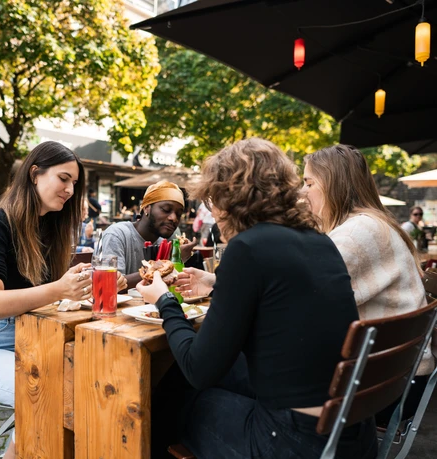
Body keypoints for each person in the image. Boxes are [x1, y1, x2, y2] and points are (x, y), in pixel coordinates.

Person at [137, 138, 377, 459]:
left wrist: (164, 300)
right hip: (351, 432)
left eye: (212, 200)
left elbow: (199, 369)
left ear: (229, 198)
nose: (213, 211)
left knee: (173, 397)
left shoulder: (247, 248)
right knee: (198, 378)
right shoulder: (319, 241)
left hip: (295, 443)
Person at [0, 141, 126, 459]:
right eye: (64, 178)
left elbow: (50, 295)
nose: (70, 189)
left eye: (74, 183)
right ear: (35, 174)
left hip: (33, 343)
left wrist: (83, 283)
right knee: (46, 391)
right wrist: (58, 289)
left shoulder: (50, 229)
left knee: (96, 381)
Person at [303, 144, 433, 423]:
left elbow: (297, 292)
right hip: (395, 378)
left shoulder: (359, 232)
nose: (304, 192)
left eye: (309, 183)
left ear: (332, 185)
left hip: (385, 389)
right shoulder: (371, 225)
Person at [101, 180, 198, 288]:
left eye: (179, 214)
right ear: (147, 207)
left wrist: (183, 260)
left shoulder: (169, 240)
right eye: (166, 210)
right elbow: (110, 284)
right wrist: (170, 263)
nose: (173, 218)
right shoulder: (117, 235)